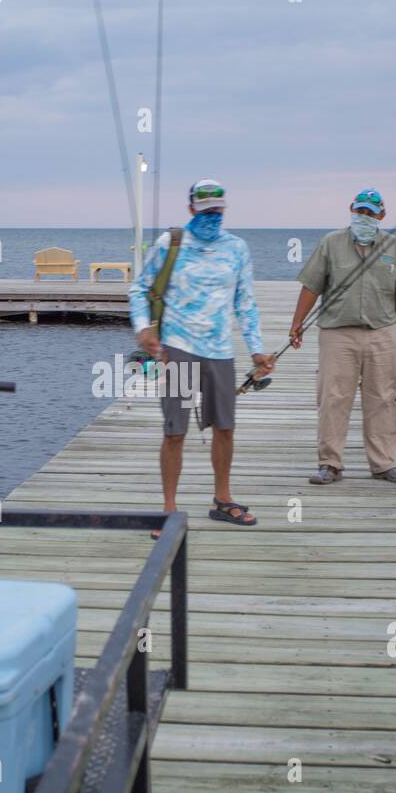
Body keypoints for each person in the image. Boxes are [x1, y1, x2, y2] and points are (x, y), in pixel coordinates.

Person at [129, 179, 275, 535]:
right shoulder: (171, 244)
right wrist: (143, 328)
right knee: (174, 430)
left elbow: (245, 302)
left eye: (217, 209)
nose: (211, 215)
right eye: (205, 208)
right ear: (191, 208)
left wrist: (256, 347)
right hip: (178, 348)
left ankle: (222, 500)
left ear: (224, 209)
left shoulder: (237, 248)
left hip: (221, 352)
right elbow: (139, 288)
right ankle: (168, 510)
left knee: (225, 427)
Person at [289, 187, 396, 485]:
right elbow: (311, 286)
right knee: (333, 398)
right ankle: (330, 464)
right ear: (351, 210)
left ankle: (384, 464)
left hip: (383, 333)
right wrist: (297, 324)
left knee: (384, 399)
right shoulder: (331, 243)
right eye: (360, 211)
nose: (364, 217)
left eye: (371, 213)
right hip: (338, 334)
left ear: (382, 215)